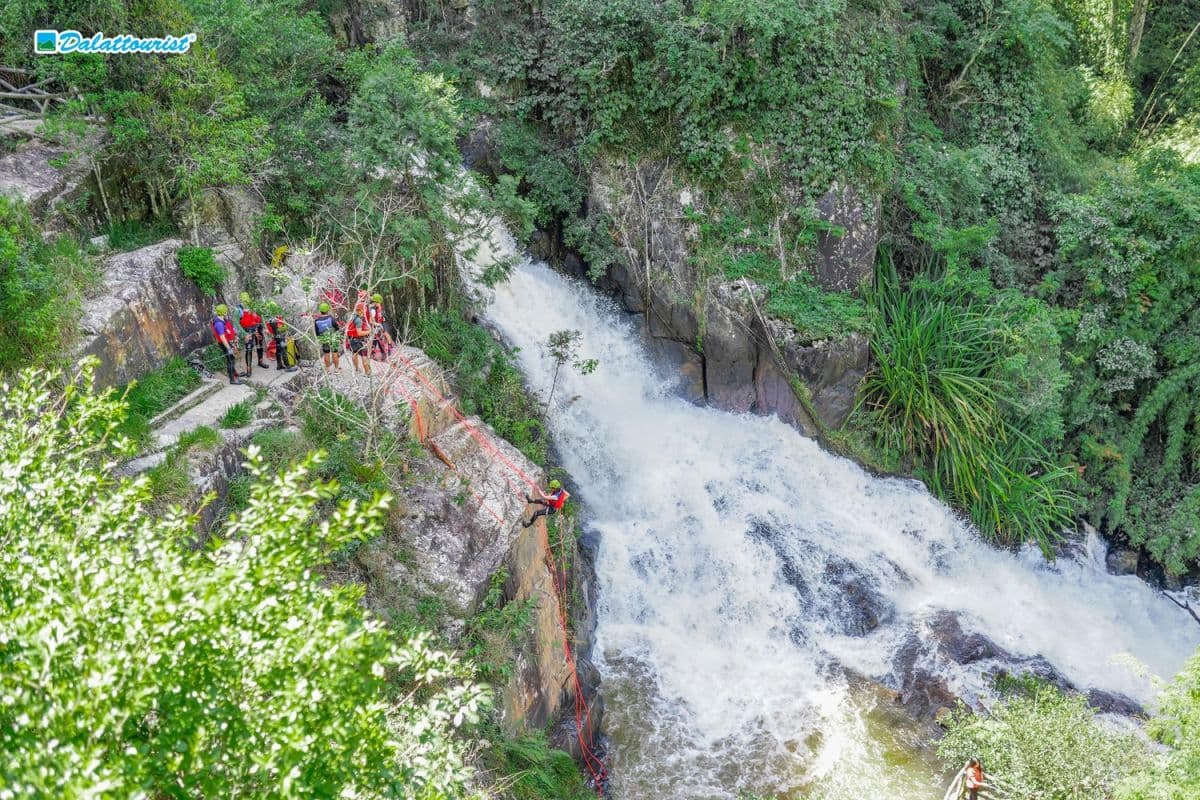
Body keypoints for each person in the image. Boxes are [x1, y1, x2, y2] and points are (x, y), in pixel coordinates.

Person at [237, 292, 268, 374]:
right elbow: (236, 323)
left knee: (259, 346)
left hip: (257, 327)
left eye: (246, 299)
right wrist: (244, 334)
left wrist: (263, 327)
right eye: (244, 299)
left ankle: (260, 361)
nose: (245, 301)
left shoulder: (253, 306)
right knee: (249, 349)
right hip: (248, 331)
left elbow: (260, 316)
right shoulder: (239, 309)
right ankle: (248, 368)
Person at [211, 304, 241, 385]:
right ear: (223, 312)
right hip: (225, 344)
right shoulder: (219, 324)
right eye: (226, 311)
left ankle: (235, 374)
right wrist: (228, 348)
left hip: (228, 342)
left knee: (232, 359)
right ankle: (232, 379)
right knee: (230, 361)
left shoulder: (222, 320)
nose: (227, 312)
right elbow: (222, 337)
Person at [265, 303, 299, 373]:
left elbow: (272, 330)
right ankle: (288, 366)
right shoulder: (275, 320)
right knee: (284, 350)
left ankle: (279, 365)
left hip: (277, 337)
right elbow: (280, 329)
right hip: (280, 337)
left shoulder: (271, 318)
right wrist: (284, 326)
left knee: (278, 350)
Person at [313, 301, 341, 370]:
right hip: (333, 337)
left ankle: (327, 369)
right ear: (328, 310)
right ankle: (336, 369)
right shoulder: (331, 318)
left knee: (326, 354)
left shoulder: (317, 321)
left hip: (324, 338)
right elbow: (337, 328)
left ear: (320, 311)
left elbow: (317, 333)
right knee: (334, 352)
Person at [345, 306, 372, 376]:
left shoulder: (351, 317)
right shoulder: (358, 320)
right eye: (363, 310)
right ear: (359, 311)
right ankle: (367, 373)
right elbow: (359, 333)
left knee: (354, 353)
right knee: (364, 355)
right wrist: (369, 332)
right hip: (358, 339)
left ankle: (356, 369)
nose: (364, 312)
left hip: (351, 339)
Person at [368, 292, 394, 360]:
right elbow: (371, 321)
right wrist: (377, 325)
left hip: (382, 322)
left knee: (385, 333)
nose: (379, 304)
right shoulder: (373, 309)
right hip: (377, 324)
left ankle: (388, 348)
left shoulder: (377, 307)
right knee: (376, 338)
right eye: (378, 302)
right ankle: (374, 353)